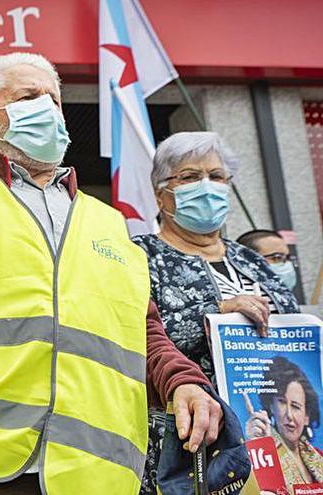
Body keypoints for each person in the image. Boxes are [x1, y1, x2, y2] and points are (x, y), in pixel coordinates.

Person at [0, 52, 222, 495]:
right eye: (29, 96)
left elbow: (143, 331)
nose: (49, 109)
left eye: (54, 99)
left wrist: (184, 381)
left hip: (99, 476)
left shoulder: (108, 223)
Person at [132, 131, 301, 494]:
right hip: (190, 442)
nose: (207, 186)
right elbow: (135, 333)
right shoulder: (139, 256)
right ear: (162, 194)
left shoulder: (251, 261)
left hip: (272, 436)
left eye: (217, 176)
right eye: (191, 177)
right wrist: (217, 312)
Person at [246, 357, 323, 490]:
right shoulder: (259, 455)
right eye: (282, 402)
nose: (289, 415)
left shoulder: (319, 457)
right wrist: (259, 447)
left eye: (296, 406)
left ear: (307, 417)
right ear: (271, 406)